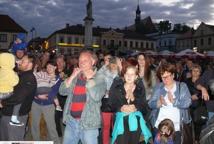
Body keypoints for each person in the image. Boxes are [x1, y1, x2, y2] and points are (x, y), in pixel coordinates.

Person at [59, 50, 106, 144]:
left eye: (85, 60)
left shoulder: (99, 77)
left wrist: (89, 80)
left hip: (89, 124)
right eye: (80, 60)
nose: (81, 63)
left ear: (93, 62)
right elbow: (62, 91)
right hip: (71, 121)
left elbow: (96, 97)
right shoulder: (76, 76)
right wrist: (72, 76)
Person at [148, 62, 192, 144]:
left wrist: (174, 101)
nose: (165, 79)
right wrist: (158, 103)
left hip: (176, 127)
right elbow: (150, 104)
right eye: (162, 77)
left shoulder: (181, 86)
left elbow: (188, 102)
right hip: (159, 126)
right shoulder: (158, 87)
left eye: (167, 76)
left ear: (173, 75)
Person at [109, 65, 152, 144]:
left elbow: (144, 107)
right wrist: (120, 108)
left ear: (136, 77)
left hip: (135, 122)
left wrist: (133, 101)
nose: (129, 76)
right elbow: (111, 104)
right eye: (127, 74)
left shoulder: (140, 89)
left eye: (132, 74)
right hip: (121, 121)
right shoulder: (117, 88)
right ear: (124, 75)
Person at [0, 54, 37, 140]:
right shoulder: (21, 75)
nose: (19, 62)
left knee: (13, 139)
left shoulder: (29, 78)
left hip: (17, 116)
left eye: (23, 61)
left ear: (30, 64)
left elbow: (18, 97)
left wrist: (2, 102)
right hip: (7, 113)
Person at [31, 60, 62, 143]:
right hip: (36, 103)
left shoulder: (58, 78)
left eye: (51, 67)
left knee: (51, 125)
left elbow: (53, 92)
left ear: (55, 67)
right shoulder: (42, 75)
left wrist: (44, 96)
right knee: (34, 124)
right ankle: (36, 141)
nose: (49, 68)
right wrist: (37, 95)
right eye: (47, 66)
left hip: (48, 105)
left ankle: (56, 142)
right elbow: (33, 85)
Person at [99, 56, 120, 144]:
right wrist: (105, 65)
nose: (113, 65)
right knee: (106, 126)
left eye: (115, 64)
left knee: (115, 126)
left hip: (117, 102)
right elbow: (97, 75)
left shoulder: (120, 74)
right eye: (112, 63)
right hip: (106, 102)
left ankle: (115, 142)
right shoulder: (105, 72)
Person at [0, 53, 20, 125]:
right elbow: (14, 83)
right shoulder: (10, 72)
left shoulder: (1, 70)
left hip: (0, 93)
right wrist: (16, 75)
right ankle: (14, 118)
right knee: (18, 100)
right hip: (7, 93)